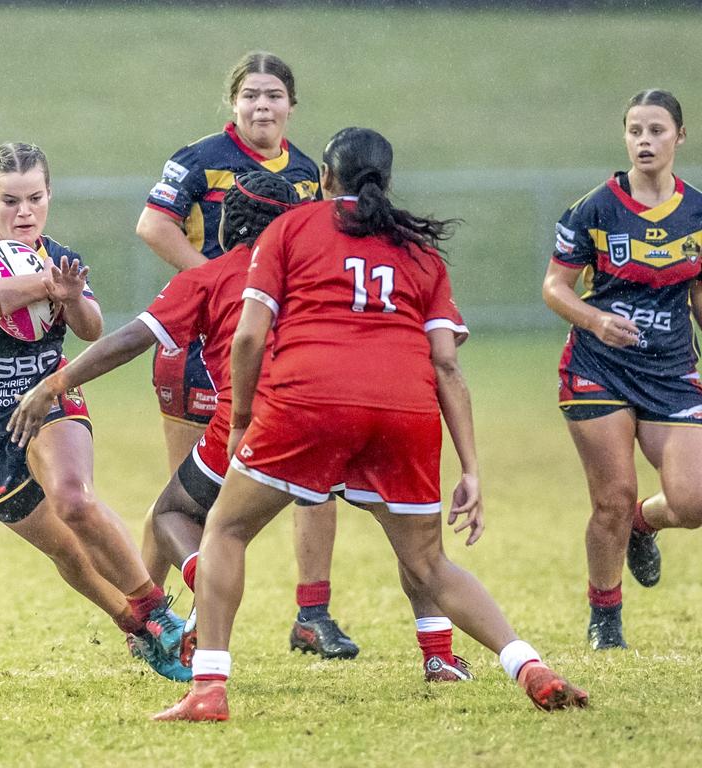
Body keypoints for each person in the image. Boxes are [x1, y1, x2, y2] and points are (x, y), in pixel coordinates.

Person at [153, 127, 590, 721]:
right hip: (404, 412)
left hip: (307, 404)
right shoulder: (420, 251)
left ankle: (208, 690)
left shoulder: (290, 228)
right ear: (387, 181)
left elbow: (251, 335)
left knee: (224, 532)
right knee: (430, 564)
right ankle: (527, 664)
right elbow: (446, 366)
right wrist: (471, 468)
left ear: (325, 179)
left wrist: (244, 420)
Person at [13, 170, 473, 683]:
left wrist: (57, 383)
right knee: (415, 544)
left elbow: (129, 341)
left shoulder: (210, 277)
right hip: (364, 413)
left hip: (266, 421)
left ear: (227, 225)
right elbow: (437, 346)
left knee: (176, 515)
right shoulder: (329, 269)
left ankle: (203, 604)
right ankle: (440, 653)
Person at [0, 141, 188, 681]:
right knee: (67, 549)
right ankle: (138, 630)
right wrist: (45, 286)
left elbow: (92, 328)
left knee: (74, 501)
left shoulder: (57, 255)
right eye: (10, 201)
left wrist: (69, 295)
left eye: (35, 198)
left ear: (49, 196)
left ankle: (158, 613)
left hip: (46, 396)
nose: (24, 212)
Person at [135, 50, 356, 659]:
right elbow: (155, 226)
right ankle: (147, 617)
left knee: (315, 481)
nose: (262, 106)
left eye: (274, 96)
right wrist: (225, 287)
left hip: (277, 345)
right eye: (251, 95)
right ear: (234, 102)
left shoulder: (310, 172)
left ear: (291, 104)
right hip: (201, 343)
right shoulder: (201, 159)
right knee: (186, 499)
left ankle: (313, 613)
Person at [542, 89, 702, 651]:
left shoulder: (699, 212)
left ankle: (645, 524)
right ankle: (605, 616)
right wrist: (595, 321)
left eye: (657, 131)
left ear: (679, 137)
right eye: (635, 130)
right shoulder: (594, 209)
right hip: (599, 368)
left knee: (694, 500)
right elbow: (554, 288)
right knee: (612, 495)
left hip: (671, 371)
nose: (645, 141)